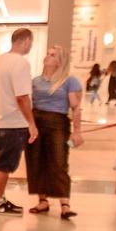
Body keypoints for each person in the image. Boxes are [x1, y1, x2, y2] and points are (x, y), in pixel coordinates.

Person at [26, 46, 83, 219]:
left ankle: (65, 204)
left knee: (59, 162)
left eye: (53, 55)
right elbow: (27, 103)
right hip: (36, 121)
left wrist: (77, 131)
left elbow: (76, 108)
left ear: (60, 60)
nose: (47, 57)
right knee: (36, 161)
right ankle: (42, 200)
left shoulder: (69, 80)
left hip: (58, 122)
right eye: (48, 54)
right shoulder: (36, 81)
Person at [0, 28, 37, 216]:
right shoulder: (20, 63)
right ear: (26, 40)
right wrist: (31, 123)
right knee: (5, 164)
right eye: (31, 42)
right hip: (13, 122)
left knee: (2, 163)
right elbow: (22, 97)